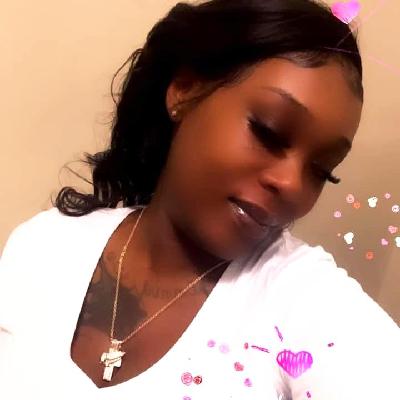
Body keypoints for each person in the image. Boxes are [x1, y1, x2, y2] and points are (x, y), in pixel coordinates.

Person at [1, 0, 399, 399]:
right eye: (268, 131)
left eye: (321, 170)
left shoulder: (303, 300)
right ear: (185, 90)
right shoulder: (43, 245)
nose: (292, 185)